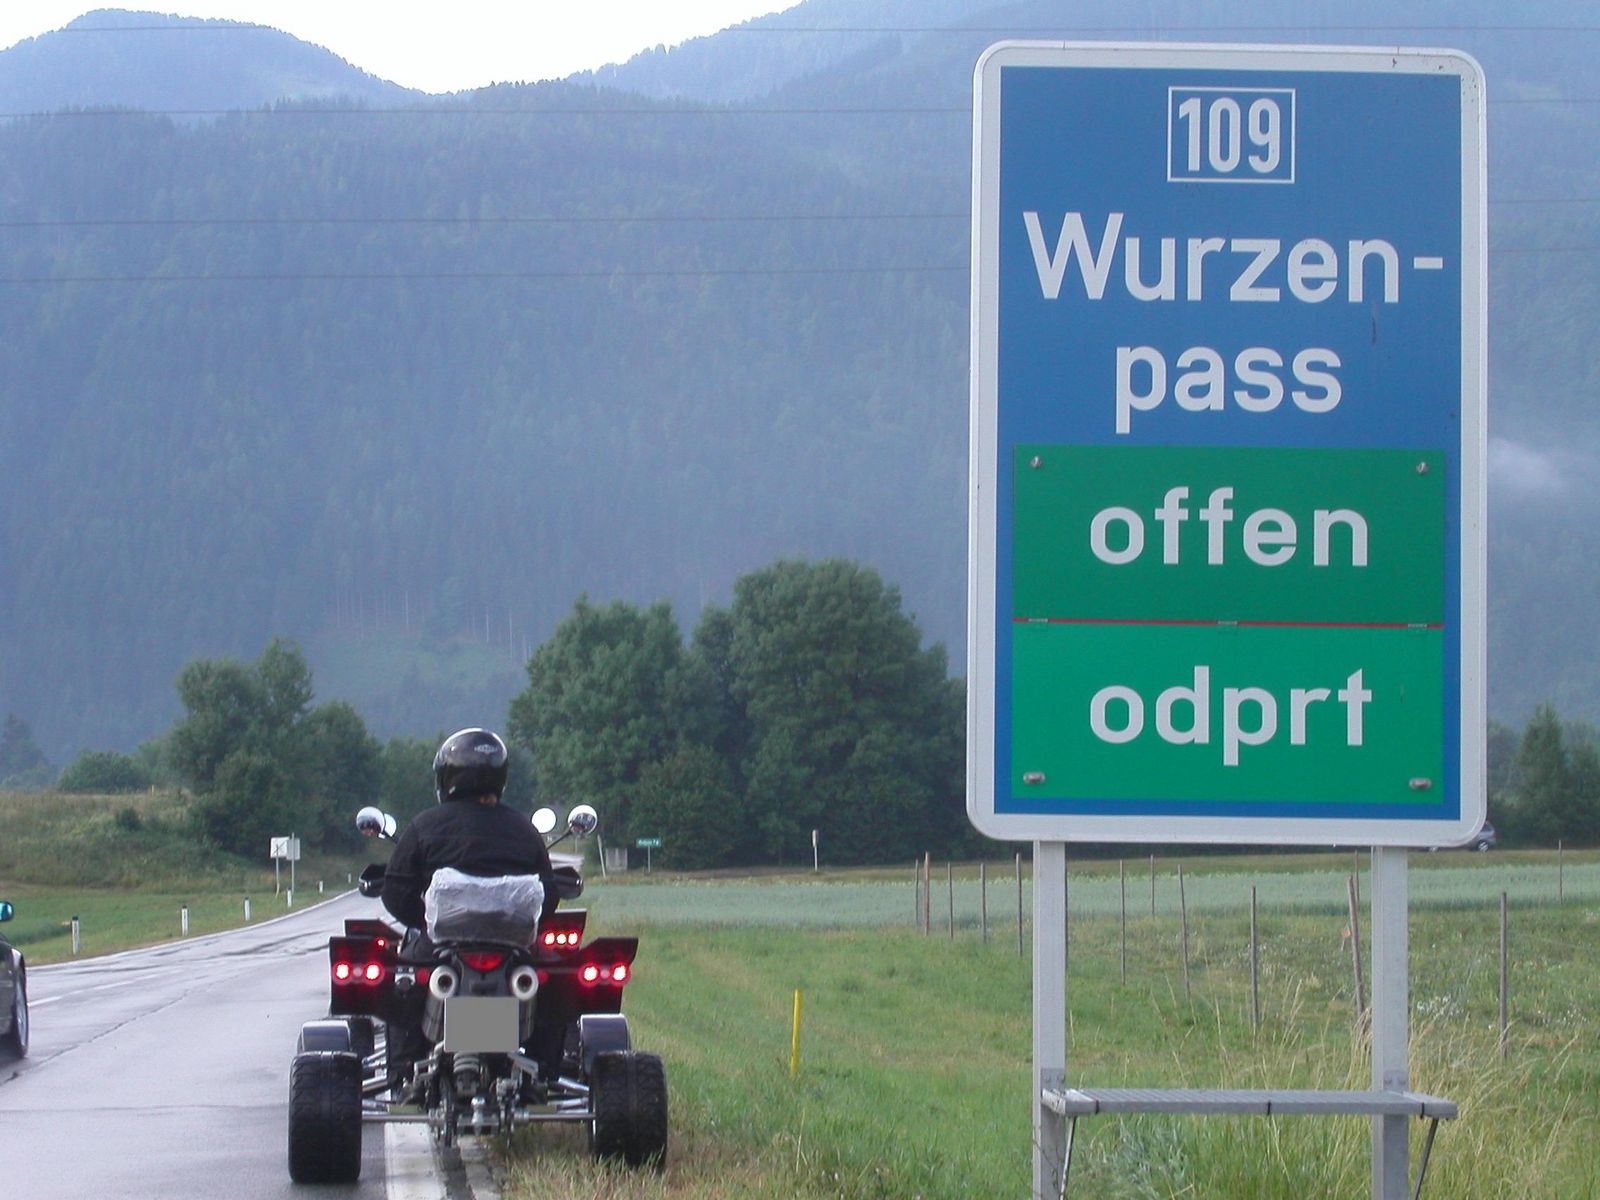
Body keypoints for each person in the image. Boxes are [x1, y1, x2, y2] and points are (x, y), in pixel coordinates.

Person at [381, 728, 557, 936]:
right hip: (514, 945)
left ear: (447, 776)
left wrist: (425, 921)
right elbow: (548, 894)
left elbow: (396, 893)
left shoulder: (424, 826)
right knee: (552, 956)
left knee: (404, 955)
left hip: (439, 946)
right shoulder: (525, 829)